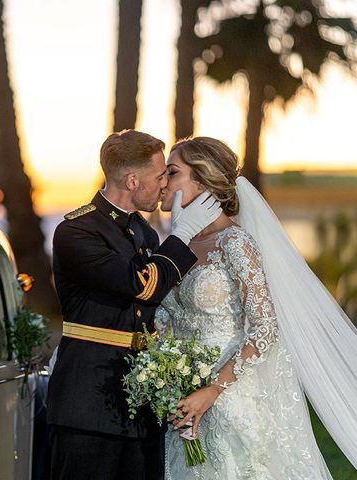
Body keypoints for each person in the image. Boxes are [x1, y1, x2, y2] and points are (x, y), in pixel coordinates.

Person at [156, 136, 357, 479]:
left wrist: (213, 389)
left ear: (202, 180)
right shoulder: (175, 246)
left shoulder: (235, 242)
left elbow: (264, 328)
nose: (162, 183)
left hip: (230, 395)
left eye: (171, 173)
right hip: (183, 399)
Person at [47, 129, 222, 480]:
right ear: (131, 180)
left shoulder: (142, 231)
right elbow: (143, 286)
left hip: (142, 402)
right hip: (89, 400)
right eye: (160, 176)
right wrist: (181, 236)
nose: (164, 185)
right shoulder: (77, 231)